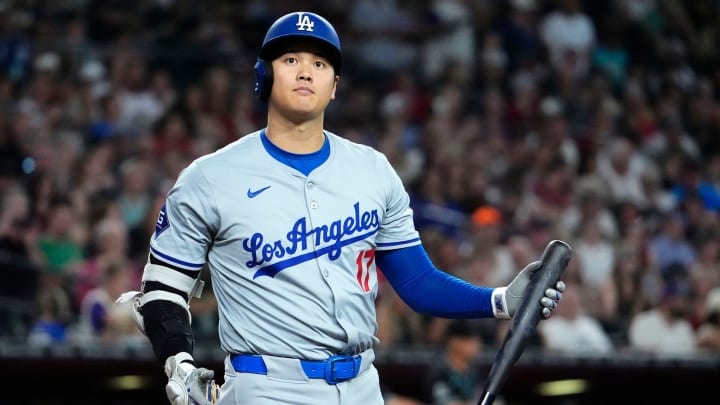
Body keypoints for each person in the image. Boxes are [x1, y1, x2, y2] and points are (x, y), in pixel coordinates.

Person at [118, 11, 565, 405]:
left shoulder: (373, 170)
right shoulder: (210, 177)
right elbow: (161, 291)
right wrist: (177, 361)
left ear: (335, 86)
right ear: (264, 75)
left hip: (362, 384)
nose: (306, 72)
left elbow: (417, 283)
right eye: (290, 60)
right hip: (267, 387)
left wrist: (501, 301)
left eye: (320, 63)